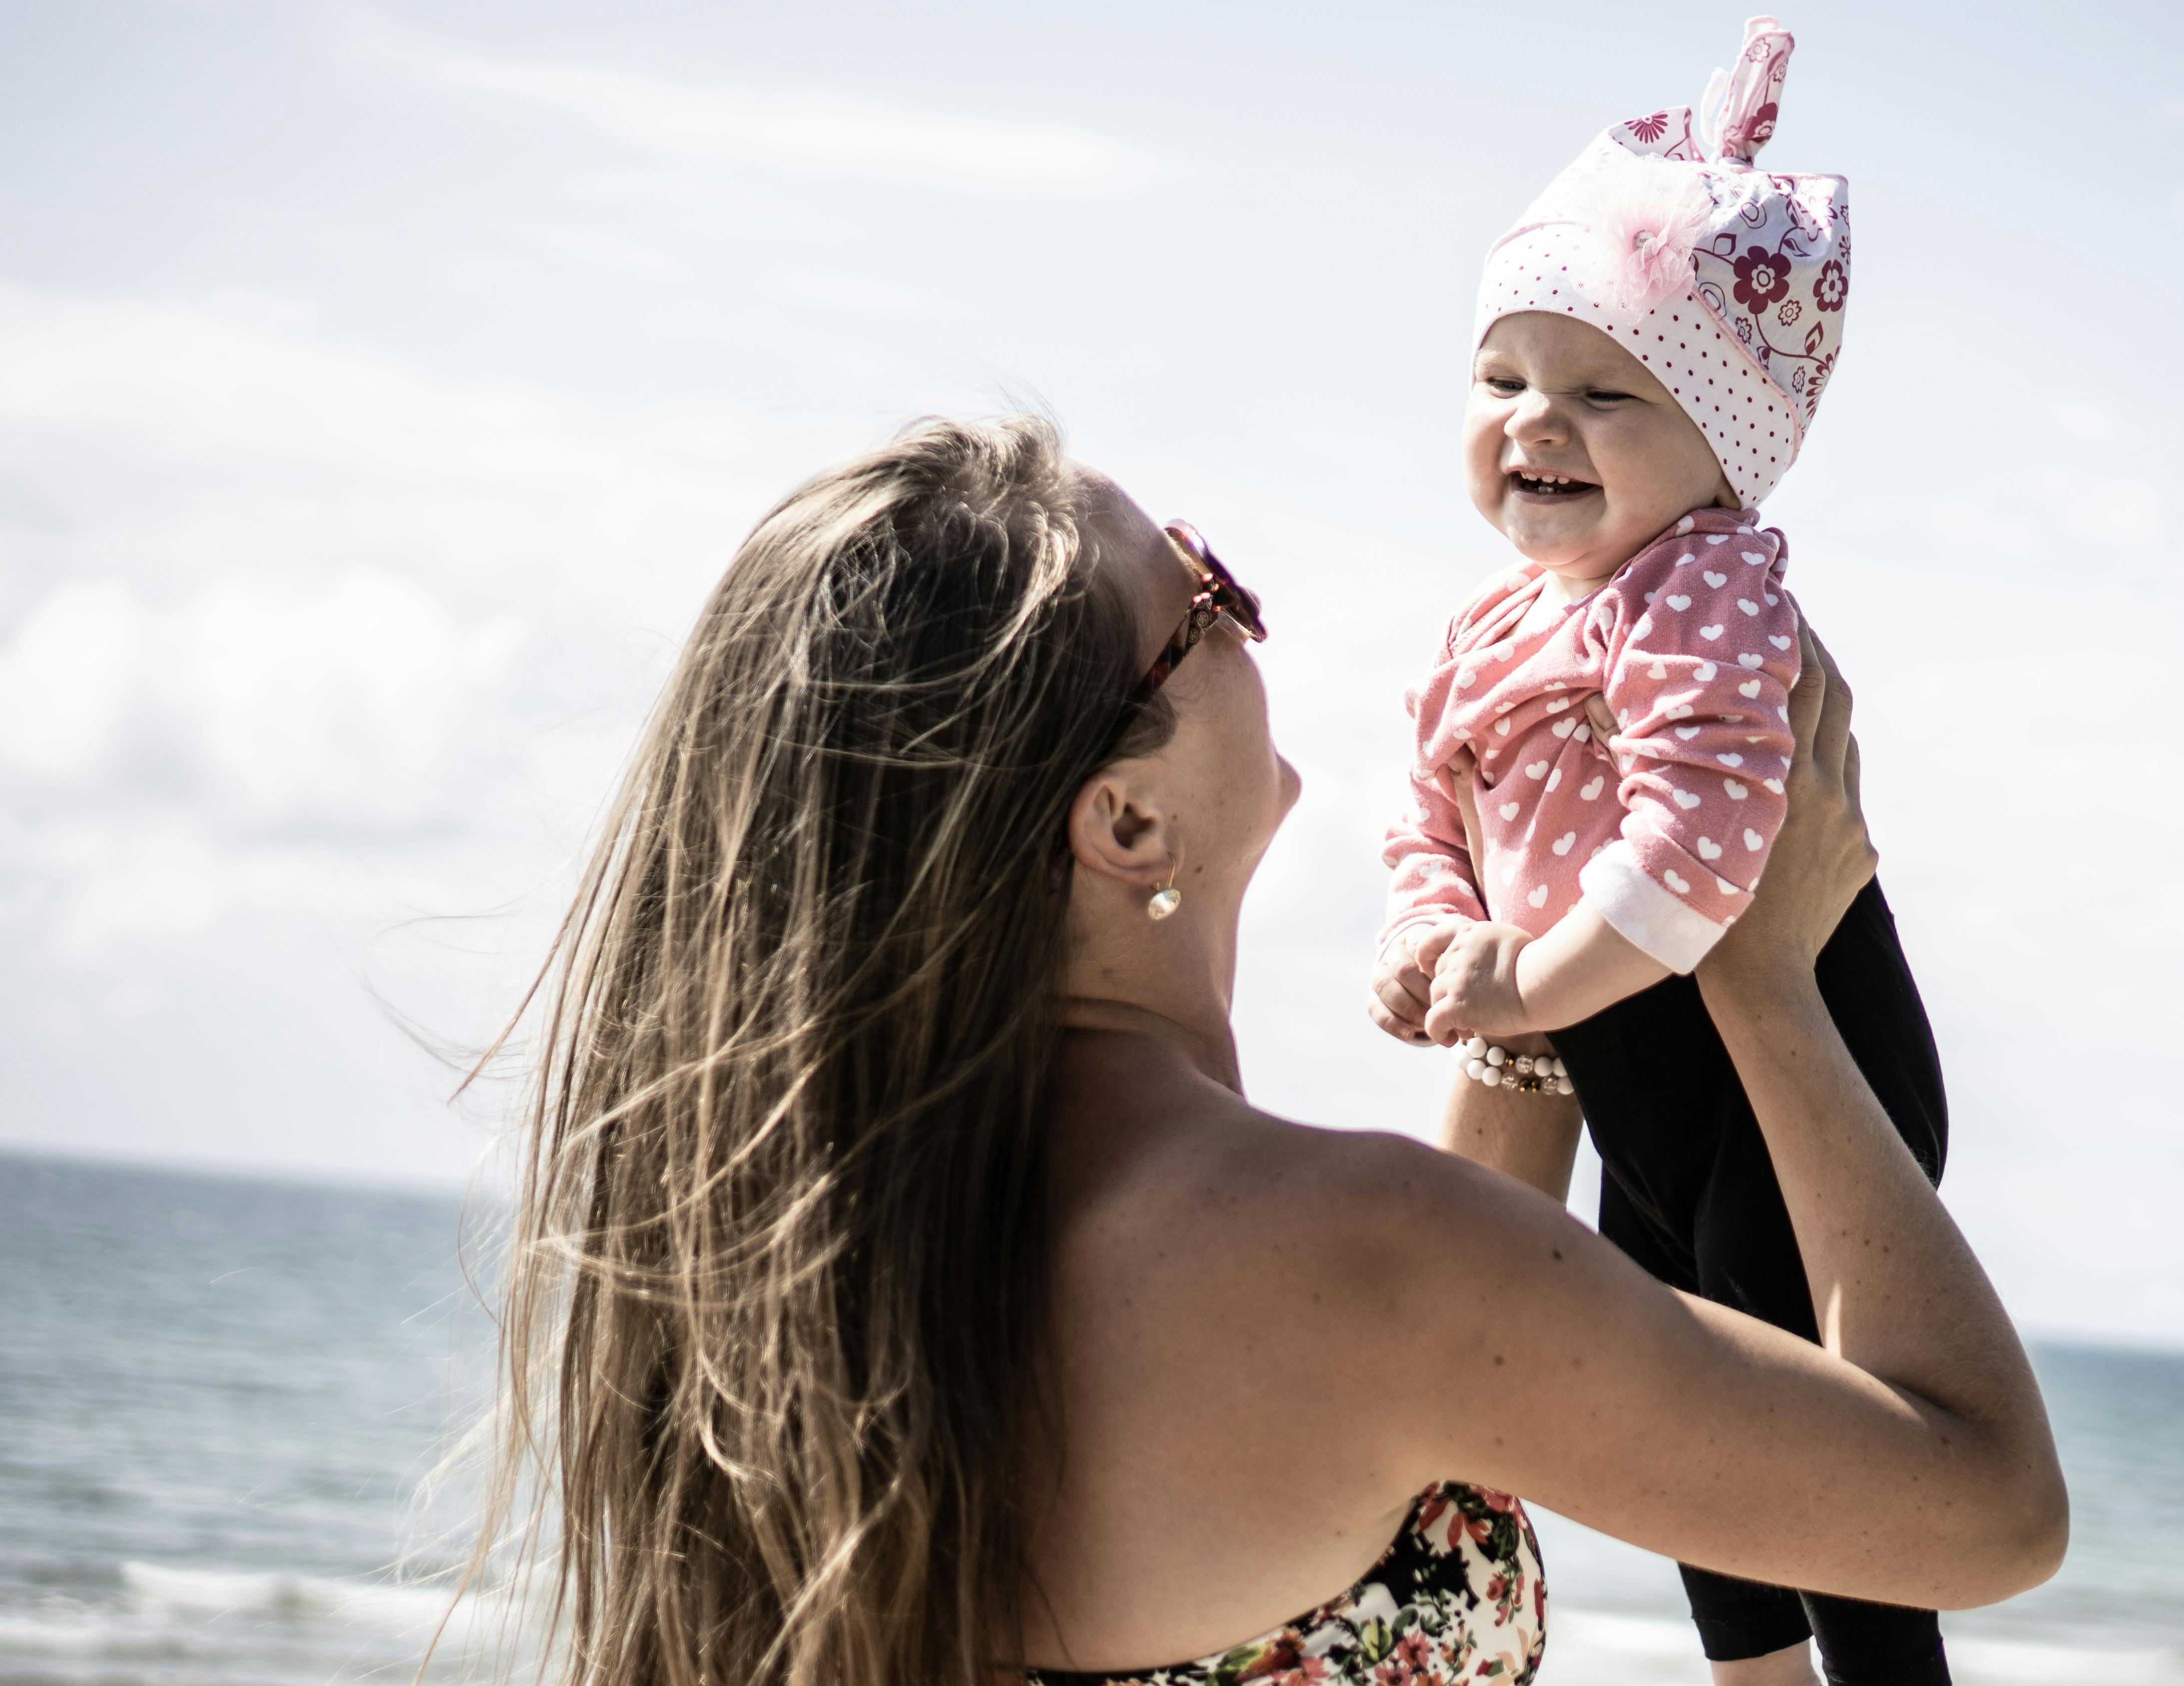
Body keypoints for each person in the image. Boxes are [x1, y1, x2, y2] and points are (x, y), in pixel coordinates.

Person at [463, 415, 2062, 1686]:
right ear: (1127, 819)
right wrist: (1763, 971)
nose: (1250, 622)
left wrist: (1556, 924)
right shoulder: (1371, 1264)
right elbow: (1985, 1510)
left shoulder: (819, 1281)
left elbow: (1441, 1331)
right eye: (1203, 597)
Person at [1365, 19, 1958, 1683]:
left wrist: (1524, 987)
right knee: (1684, 1394)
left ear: (1725, 448)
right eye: (1502, 381)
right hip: (1641, 1073)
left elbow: (1704, 848)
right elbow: (1430, 811)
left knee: (1813, 1421)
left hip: (1801, 1064)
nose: (1535, 421)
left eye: (1604, 392)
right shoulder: (1490, 627)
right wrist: (1435, 938)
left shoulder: (1705, 588)